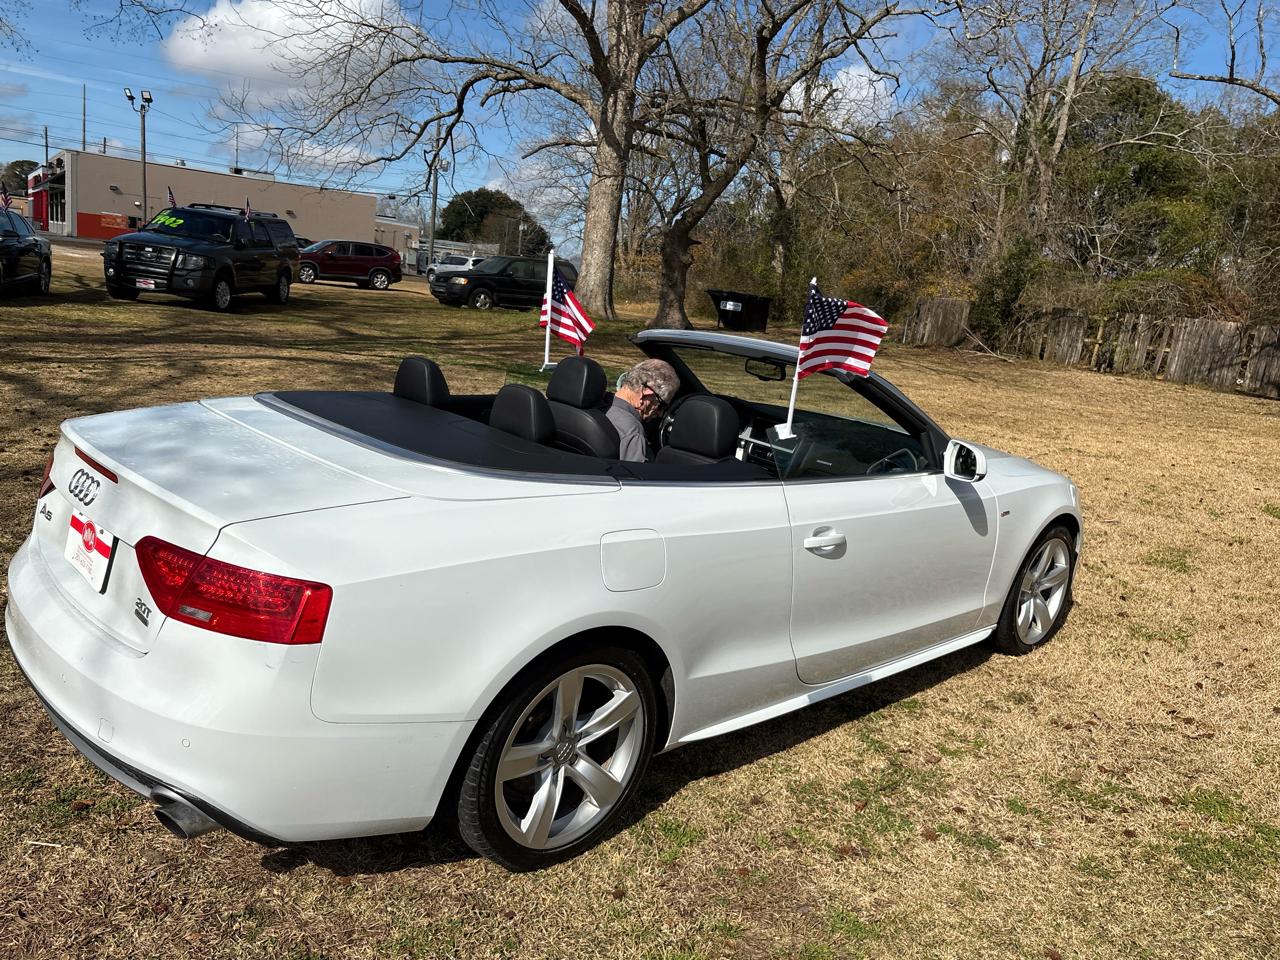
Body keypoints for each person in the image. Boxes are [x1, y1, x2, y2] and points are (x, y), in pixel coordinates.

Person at [603, 359, 680, 462]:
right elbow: (636, 476)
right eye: (661, 405)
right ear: (645, 395)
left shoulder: (597, 404)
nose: (660, 413)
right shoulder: (633, 432)